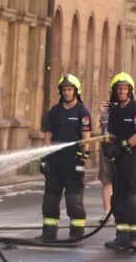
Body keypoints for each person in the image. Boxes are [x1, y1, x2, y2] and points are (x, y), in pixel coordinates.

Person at [38, 74, 91, 242]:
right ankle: (49, 233)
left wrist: (82, 155)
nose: (66, 93)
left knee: (74, 199)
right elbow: (48, 134)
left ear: (76, 92)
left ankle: (76, 234)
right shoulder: (55, 111)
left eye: (69, 90)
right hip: (55, 161)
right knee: (50, 199)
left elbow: (86, 136)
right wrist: (45, 156)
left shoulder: (82, 111)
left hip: (73, 161)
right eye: (64, 90)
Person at [103, 72, 136, 252]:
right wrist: (108, 147)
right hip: (119, 162)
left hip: (135, 161)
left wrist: (122, 146)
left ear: (130, 90)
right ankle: (121, 237)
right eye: (119, 88)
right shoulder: (114, 112)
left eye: (125, 88)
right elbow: (111, 133)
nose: (122, 91)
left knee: (134, 199)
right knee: (119, 198)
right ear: (114, 91)